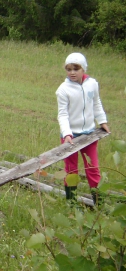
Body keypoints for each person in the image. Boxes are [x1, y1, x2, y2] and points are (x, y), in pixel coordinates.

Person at [55, 52, 110, 205]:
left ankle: (98, 203)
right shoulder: (63, 89)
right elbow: (63, 114)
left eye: (76, 69)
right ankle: (71, 203)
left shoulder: (92, 84)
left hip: (89, 135)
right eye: (69, 69)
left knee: (93, 168)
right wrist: (67, 134)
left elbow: (96, 103)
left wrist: (103, 121)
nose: (72, 72)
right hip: (71, 136)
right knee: (71, 170)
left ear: (83, 69)